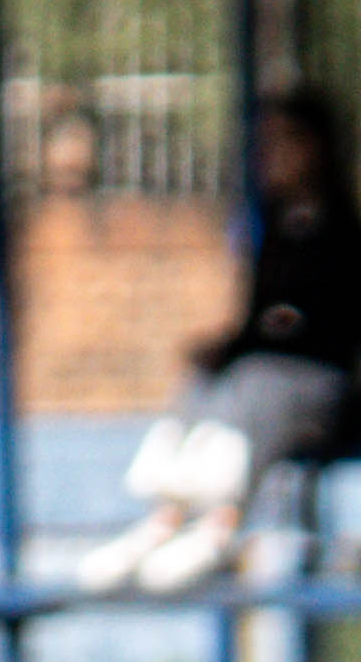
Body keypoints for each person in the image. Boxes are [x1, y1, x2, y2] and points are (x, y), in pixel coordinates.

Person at [80, 85, 356, 595]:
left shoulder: (341, 229)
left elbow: (323, 329)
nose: (270, 155)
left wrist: (260, 343)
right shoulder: (269, 227)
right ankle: (161, 524)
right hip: (268, 375)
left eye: (284, 141)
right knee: (207, 382)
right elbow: (258, 322)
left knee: (255, 385)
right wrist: (224, 348)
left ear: (315, 146)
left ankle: (219, 530)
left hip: (318, 386)